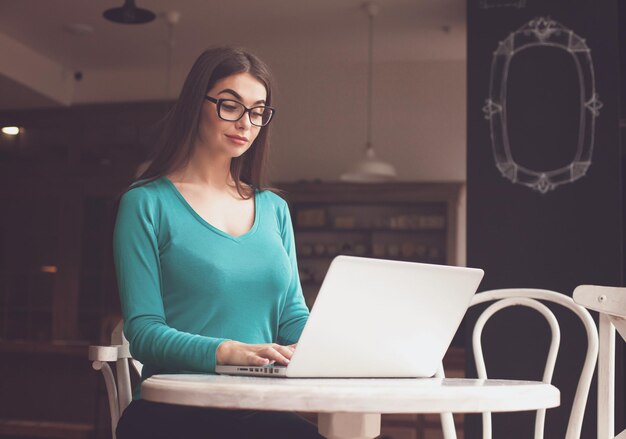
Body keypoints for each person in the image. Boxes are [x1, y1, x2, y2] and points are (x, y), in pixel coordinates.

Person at [113, 47, 322, 439]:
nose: (246, 122)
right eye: (231, 105)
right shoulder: (146, 203)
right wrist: (226, 352)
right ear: (197, 104)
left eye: (258, 111)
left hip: (261, 410)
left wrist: (335, 344)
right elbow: (143, 332)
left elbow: (292, 317)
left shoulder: (275, 208)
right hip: (173, 409)